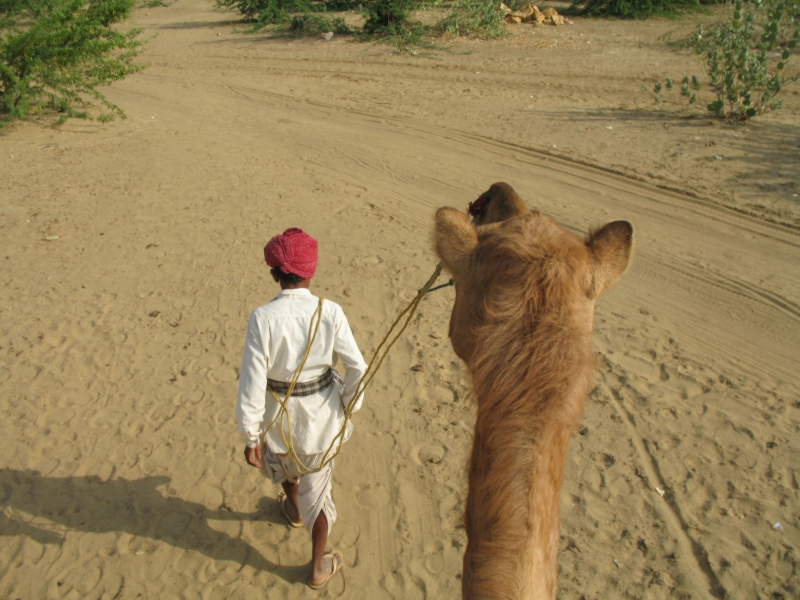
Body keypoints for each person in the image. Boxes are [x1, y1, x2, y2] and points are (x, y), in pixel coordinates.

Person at [236, 228, 368, 589]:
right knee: (318, 493)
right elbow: (357, 367)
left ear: (275, 274)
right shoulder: (330, 311)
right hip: (323, 420)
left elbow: (251, 380)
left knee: (286, 465)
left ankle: (294, 509)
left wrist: (250, 436)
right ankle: (316, 567)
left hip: (277, 418)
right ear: (310, 271)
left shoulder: (261, 318)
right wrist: (348, 405)